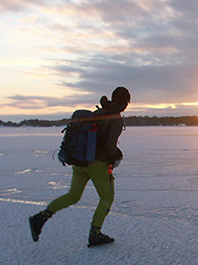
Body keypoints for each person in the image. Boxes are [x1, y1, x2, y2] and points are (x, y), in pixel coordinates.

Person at [29, 86, 129, 247]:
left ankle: (41, 217)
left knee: (73, 195)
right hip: (98, 164)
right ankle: (95, 233)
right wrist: (117, 155)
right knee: (107, 197)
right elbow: (109, 146)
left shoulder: (97, 113)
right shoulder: (115, 119)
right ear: (125, 103)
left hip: (80, 162)